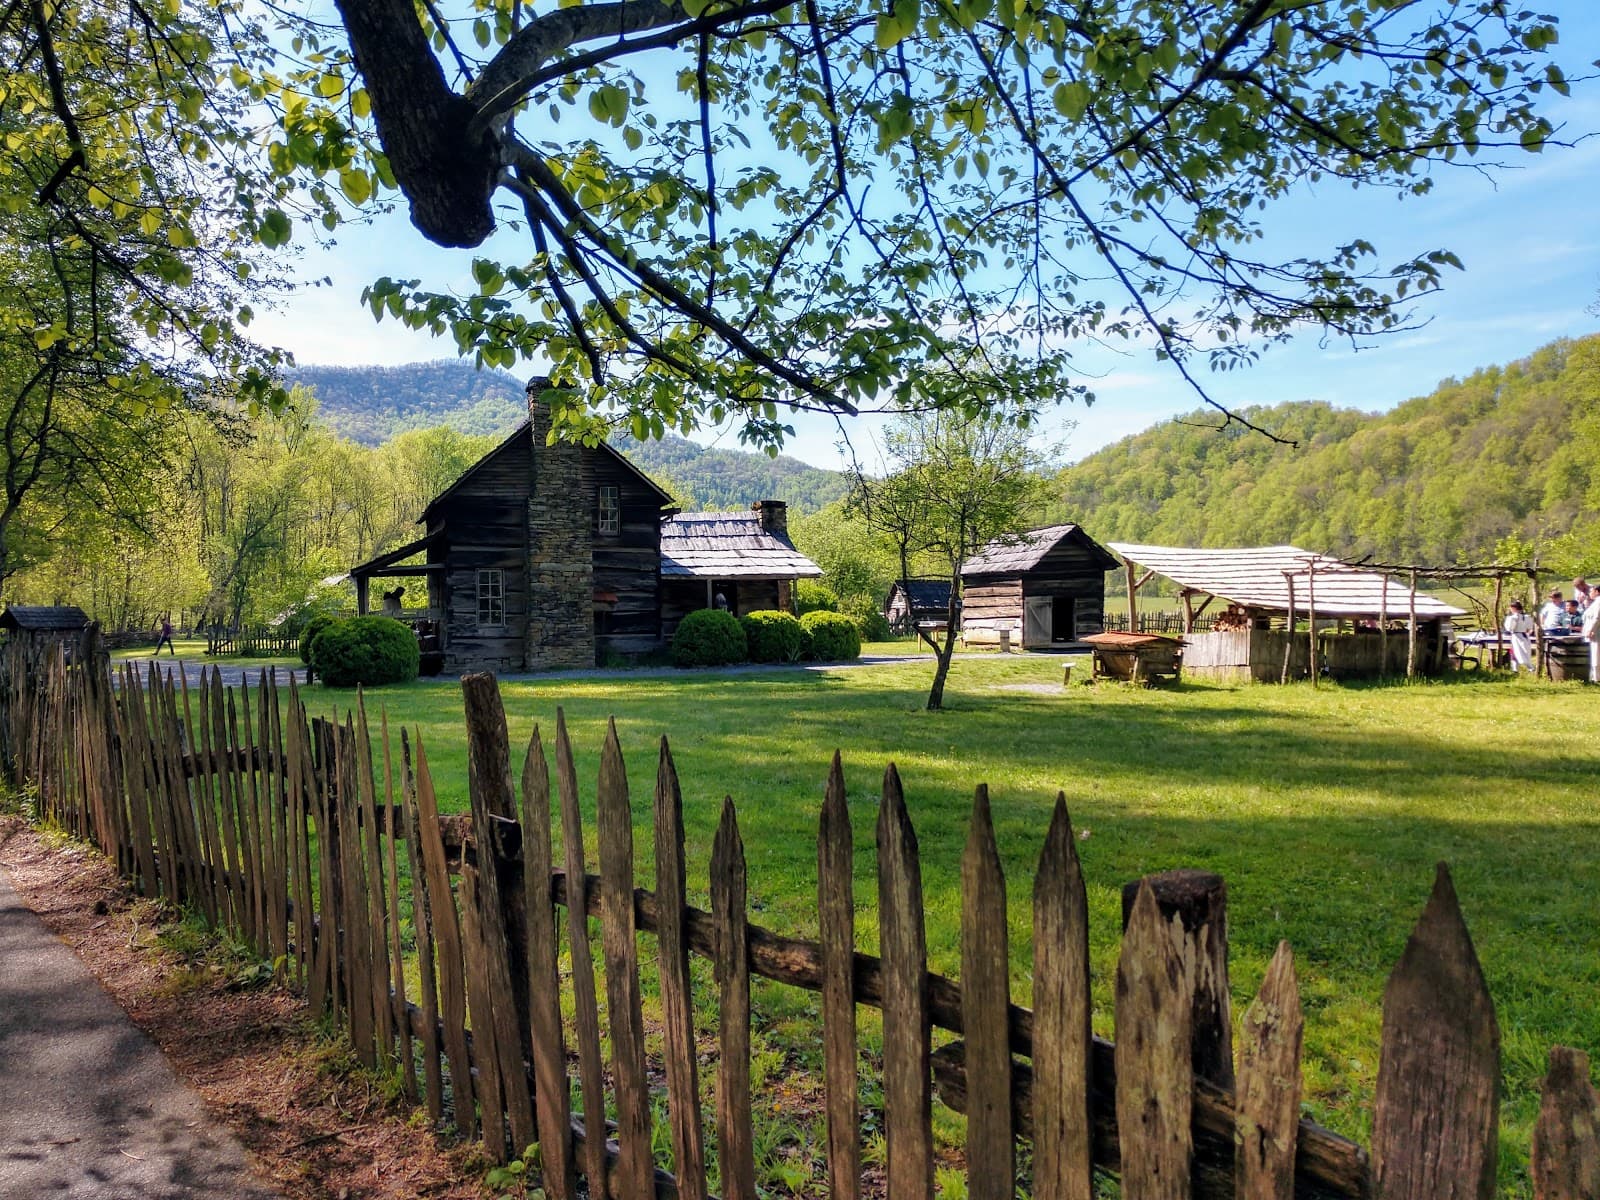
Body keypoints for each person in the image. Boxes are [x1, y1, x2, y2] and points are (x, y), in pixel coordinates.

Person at [1503, 600, 1535, 673]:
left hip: (1518, 636)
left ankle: (1531, 668)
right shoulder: (1526, 617)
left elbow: (1510, 628)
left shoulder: (1514, 618)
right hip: (1522, 636)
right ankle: (1515, 669)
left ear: (1513, 608)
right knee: (1516, 652)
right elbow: (1529, 628)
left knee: (1521, 653)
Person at [1584, 587, 1600, 683]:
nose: (1590, 593)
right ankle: (1594, 676)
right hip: (1594, 631)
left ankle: (1596, 678)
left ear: (1597, 592)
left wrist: (1591, 630)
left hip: (1596, 632)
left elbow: (1597, 618)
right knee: (1595, 654)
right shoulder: (1595, 602)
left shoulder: (1598, 602)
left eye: (1591, 591)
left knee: (1596, 654)